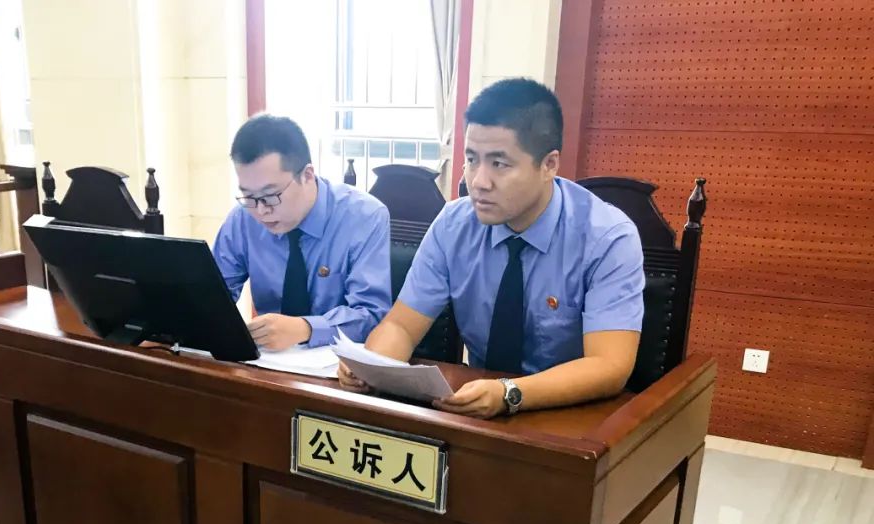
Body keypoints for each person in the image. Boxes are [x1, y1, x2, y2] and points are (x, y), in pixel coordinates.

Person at [338, 78, 645, 418]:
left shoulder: (607, 238)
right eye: (472, 159)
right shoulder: (454, 225)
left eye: (499, 164)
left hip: (571, 416)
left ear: (549, 165)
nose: (479, 181)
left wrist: (510, 393)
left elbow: (609, 365)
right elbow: (401, 326)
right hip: (479, 407)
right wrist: (372, 367)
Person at [213, 115, 391, 351]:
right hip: (268, 360)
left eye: (270, 195)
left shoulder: (364, 217)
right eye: (248, 196)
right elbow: (213, 296)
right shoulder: (243, 218)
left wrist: (305, 328)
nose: (261, 210)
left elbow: (372, 315)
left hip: (340, 364)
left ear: (307, 175)